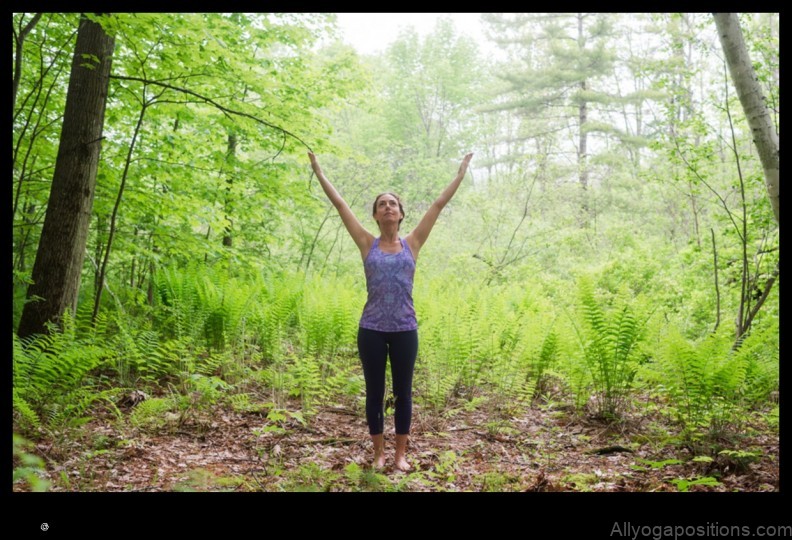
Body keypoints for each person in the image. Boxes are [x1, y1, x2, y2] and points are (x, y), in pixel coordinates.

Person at [308, 151, 473, 471]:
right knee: (374, 393)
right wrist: (318, 171)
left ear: (400, 215)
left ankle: (400, 456)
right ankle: (379, 454)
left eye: (392, 204)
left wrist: (460, 175)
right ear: (375, 215)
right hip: (370, 328)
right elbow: (341, 205)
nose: (387, 207)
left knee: (403, 394)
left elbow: (437, 205)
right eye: (382, 204)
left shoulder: (413, 243)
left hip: (404, 330)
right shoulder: (365, 242)